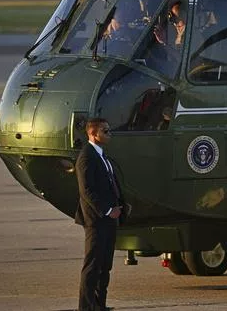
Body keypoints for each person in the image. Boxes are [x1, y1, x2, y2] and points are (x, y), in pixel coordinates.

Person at [75, 117, 125, 311]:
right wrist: (107, 210)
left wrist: (120, 206)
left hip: (109, 220)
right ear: (93, 134)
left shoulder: (102, 156)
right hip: (97, 220)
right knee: (92, 265)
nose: (109, 134)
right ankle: (86, 307)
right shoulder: (87, 156)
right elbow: (86, 190)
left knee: (105, 266)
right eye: (105, 131)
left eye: (109, 130)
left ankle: (99, 305)